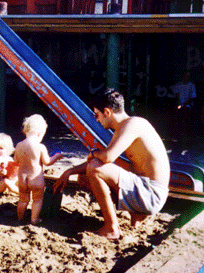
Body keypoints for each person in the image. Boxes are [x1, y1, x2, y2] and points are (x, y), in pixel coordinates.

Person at [53, 89, 170, 239]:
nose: (96, 120)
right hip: (146, 190)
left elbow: (106, 157)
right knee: (84, 176)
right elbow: (104, 161)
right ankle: (136, 214)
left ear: (107, 112)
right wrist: (69, 171)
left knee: (94, 168)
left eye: (97, 115)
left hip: (151, 194)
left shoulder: (133, 124)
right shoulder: (124, 127)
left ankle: (111, 228)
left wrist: (93, 152)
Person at [14, 114, 63, 225]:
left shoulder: (19, 145)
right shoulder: (40, 147)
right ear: (40, 133)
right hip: (36, 180)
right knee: (37, 200)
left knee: (23, 200)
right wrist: (56, 157)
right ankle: (34, 219)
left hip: (22, 179)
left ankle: (20, 218)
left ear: (25, 130)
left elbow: (16, 161)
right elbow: (47, 162)